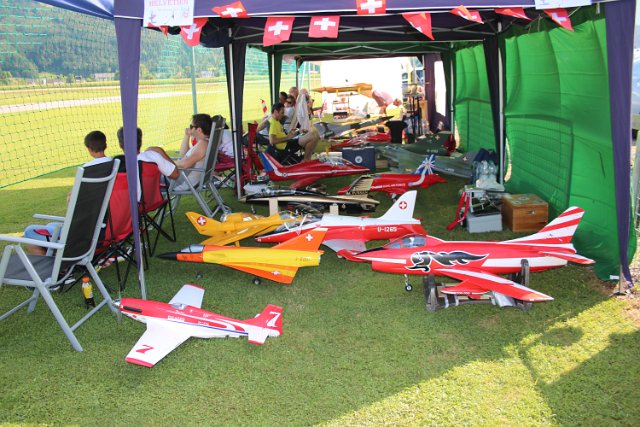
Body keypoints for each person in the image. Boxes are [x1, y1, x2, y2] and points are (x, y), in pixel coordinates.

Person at [23, 131, 112, 255]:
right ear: (105, 145)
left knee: (30, 232)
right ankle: (59, 261)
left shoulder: (87, 170)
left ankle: (60, 266)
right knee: (51, 225)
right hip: (107, 229)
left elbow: (74, 205)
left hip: (86, 235)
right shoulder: (115, 166)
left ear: (89, 149)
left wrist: (71, 198)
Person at [289, 88, 320, 161]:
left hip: (296, 136)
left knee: (315, 133)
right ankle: (306, 159)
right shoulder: (297, 111)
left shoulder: (301, 112)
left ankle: (307, 158)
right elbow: (292, 130)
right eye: (311, 100)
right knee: (313, 135)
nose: (312, 102)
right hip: (291, 139)